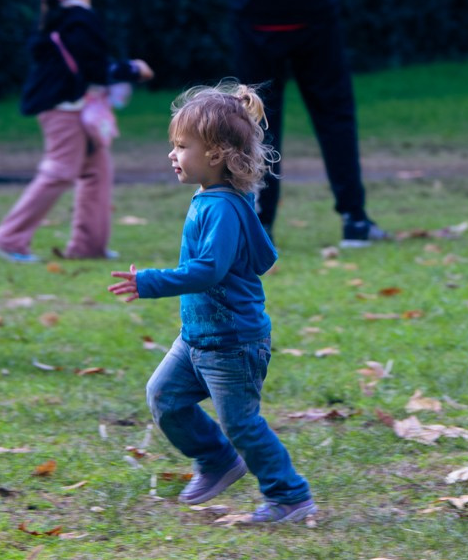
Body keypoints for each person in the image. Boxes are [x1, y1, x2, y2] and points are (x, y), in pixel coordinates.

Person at [107, 82, 316, 524]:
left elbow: (209, 270)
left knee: (242, 423)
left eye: (182, 146)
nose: (173, 154)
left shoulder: (221, 208)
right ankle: (218, 460)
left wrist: (150, 281)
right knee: (164, 396)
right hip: (200, 336)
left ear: (217, 154)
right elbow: (262, 256)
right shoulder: (219, 201)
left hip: (233, 343)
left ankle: (290, 496)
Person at [217, 0, 388, 248]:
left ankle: (260, 225)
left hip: (256, 14)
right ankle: (354, 219)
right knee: (334, 116)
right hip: (312, 9)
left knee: (256, 125)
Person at [0, 0, 154, 263]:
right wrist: (133, 70)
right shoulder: (77, 19)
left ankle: (89, 246)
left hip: (78, 108)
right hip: (64, 109)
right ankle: (8, 239)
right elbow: (95, 69)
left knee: (97, 172)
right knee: (61, 170)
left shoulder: (67, 17)